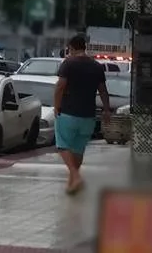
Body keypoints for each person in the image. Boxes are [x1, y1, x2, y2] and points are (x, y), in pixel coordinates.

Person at [53, 34, 111, 195]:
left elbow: (60, 87)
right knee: (78, 149)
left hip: (68, 113)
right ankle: (72, 183)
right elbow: (103, 91)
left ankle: (76, 176)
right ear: (84, 47)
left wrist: (56, 106)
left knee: (63, 145)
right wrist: (106, 110)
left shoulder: (68, 64)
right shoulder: (96, 66)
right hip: (88, 116)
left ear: (71, 48)